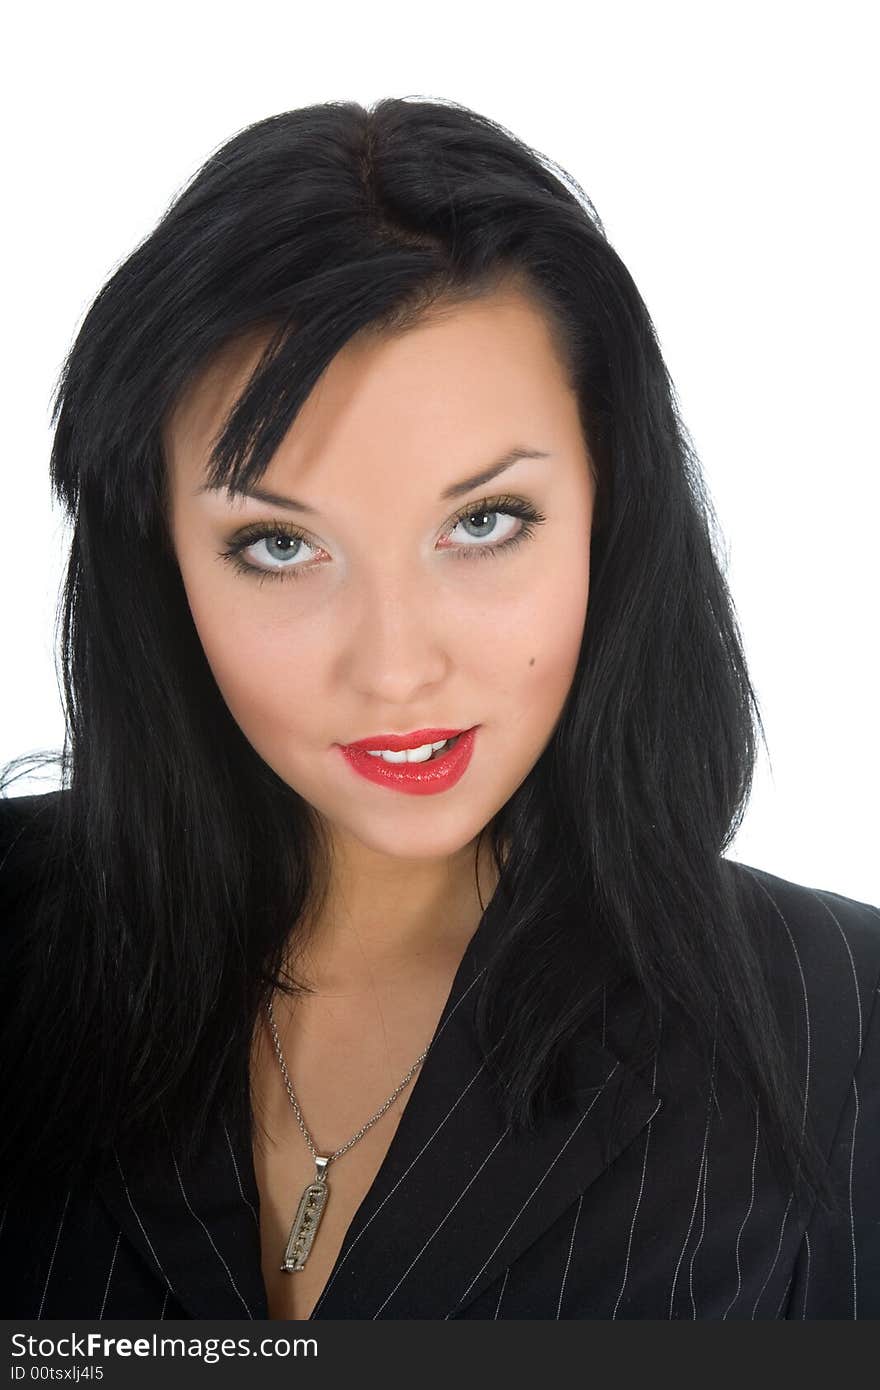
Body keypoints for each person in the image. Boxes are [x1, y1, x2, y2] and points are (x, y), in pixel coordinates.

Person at [0, 96, 877, 1322]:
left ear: (607, 516)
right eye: (275, 545)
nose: (396, 670)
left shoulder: (840, 1025)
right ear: (159, 560)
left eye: (482, 523)